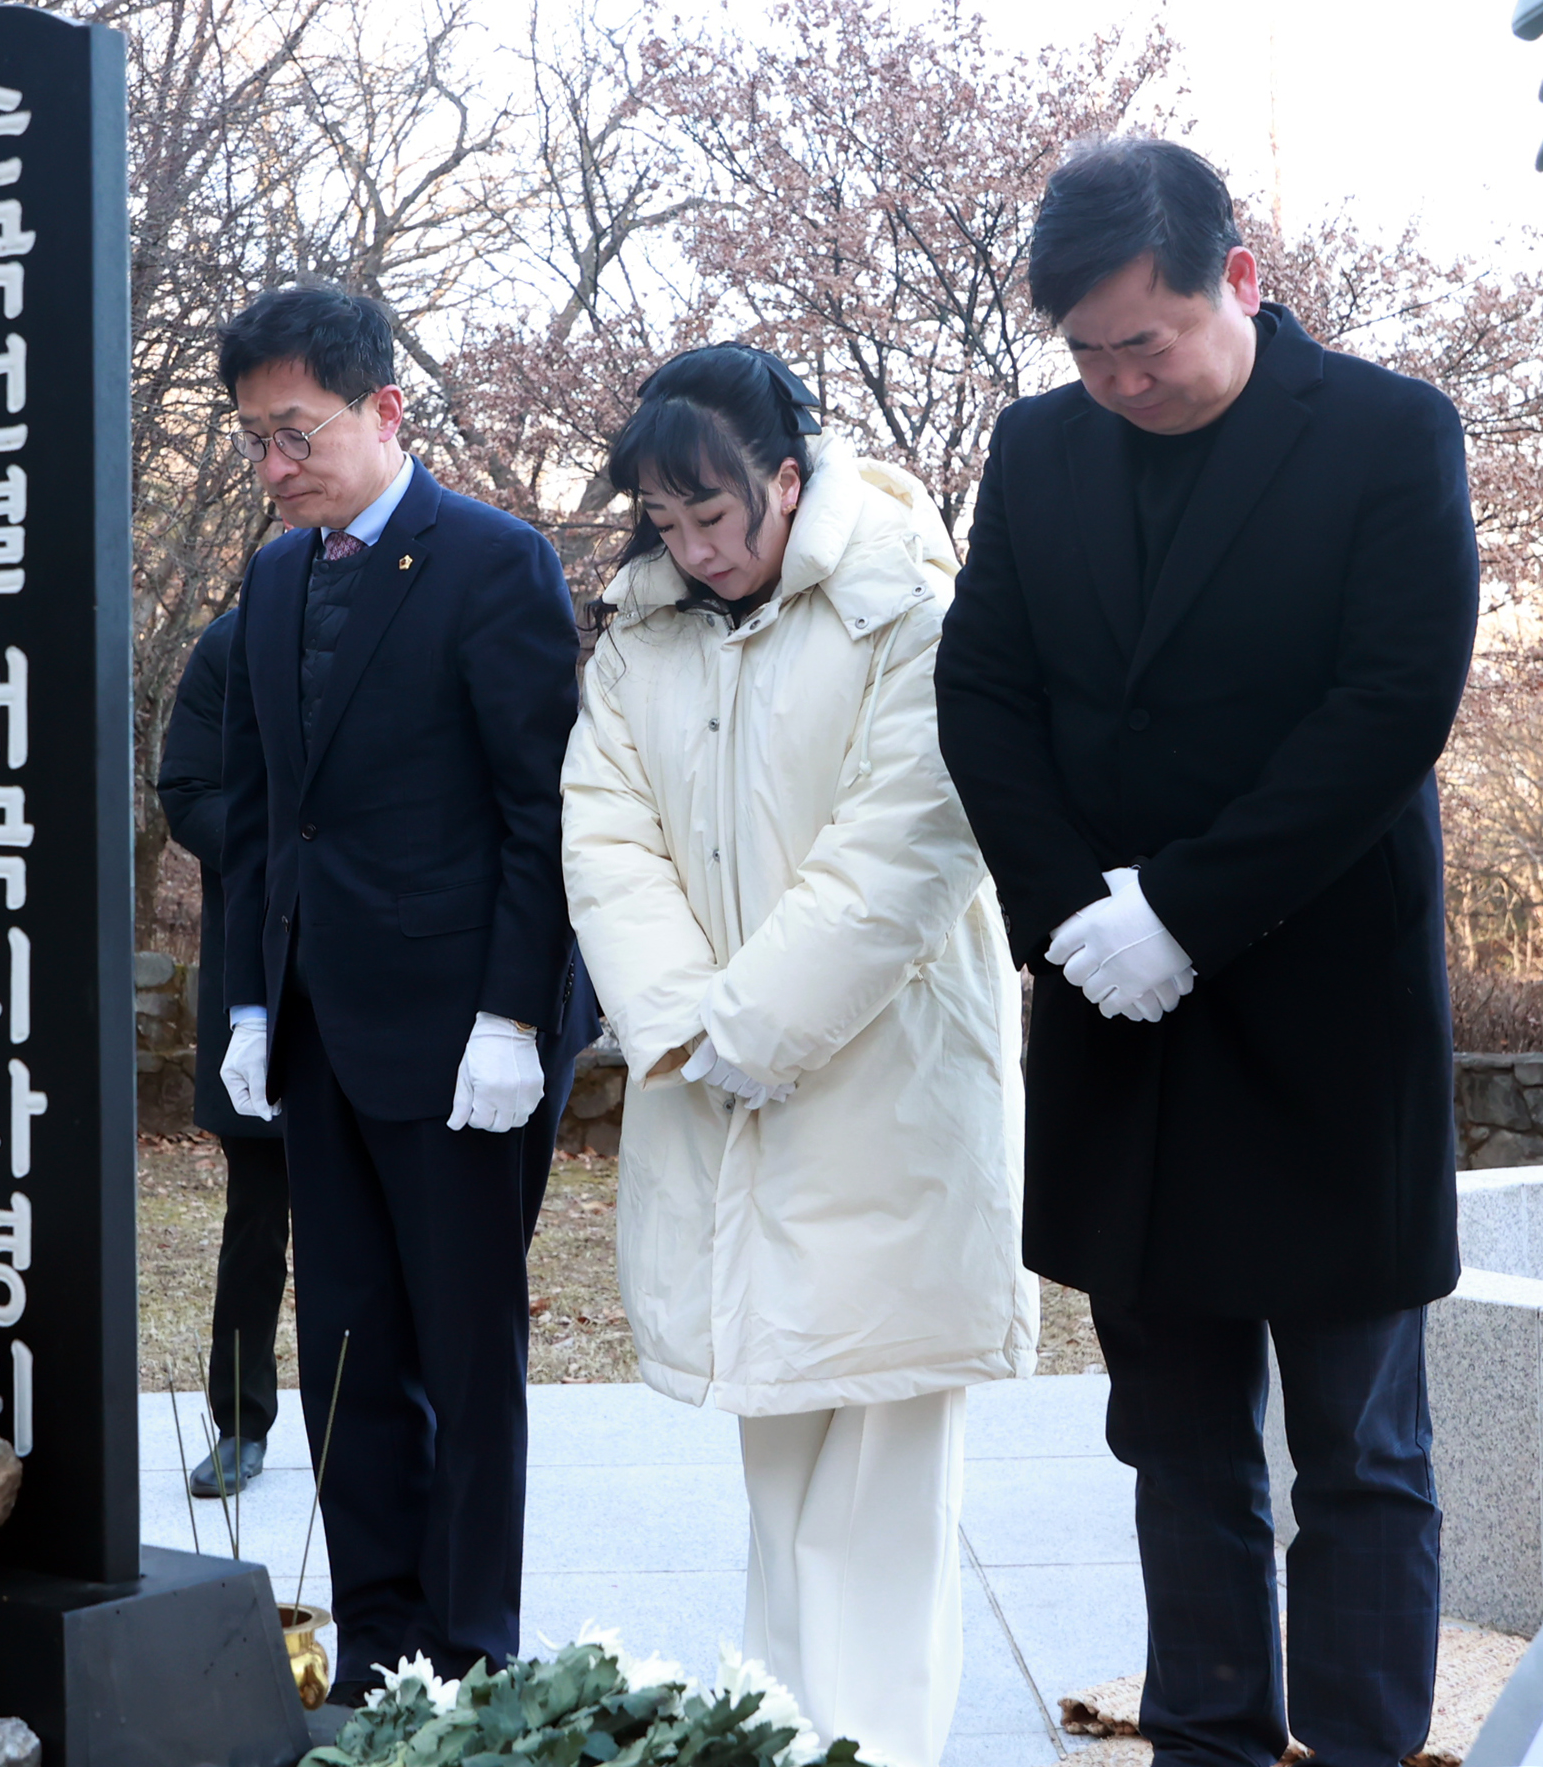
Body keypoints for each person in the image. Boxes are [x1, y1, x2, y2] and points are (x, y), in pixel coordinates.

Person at [934, 137, 1475, 1767]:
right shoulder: (1037, 454)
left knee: (1358, 1448)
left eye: (1143, 341)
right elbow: (985, 690)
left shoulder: (1387, 435)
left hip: (1321, 1018)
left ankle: (1368, 1748)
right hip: (1123, 1015)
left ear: (1236, 280)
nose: (1112, 379)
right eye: (1085, 351)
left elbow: (1389, 703)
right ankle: (1209, 1744)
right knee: (1176, 1442)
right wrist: (1073, 918)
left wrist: (1185, 904)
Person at [561, 343, 1034, 1767]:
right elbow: (606, 832)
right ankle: (779, 1737)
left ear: (785, 474)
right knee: (777, 1442)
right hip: (722, 1095)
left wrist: (755, 1023)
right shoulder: (638, 635)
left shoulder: (908, 604)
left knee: (883, 1467)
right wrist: (691, 1027)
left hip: (884, 1089)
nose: (694, 549)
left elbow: (907, 839)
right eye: (666, 521)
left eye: (715, 517)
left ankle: (872, 1747)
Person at [214, 284, 590, 1695]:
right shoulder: (270, 580)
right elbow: (257, 820)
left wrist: (514, 1013)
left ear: (384, 410)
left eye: (293, 430)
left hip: (462, 1038)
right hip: (315, 1028)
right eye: (253, 439)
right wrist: (250, 1008)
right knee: (345, 1348)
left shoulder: (495, 564)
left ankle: (473, 1653)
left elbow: (537, 813)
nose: (273, 465)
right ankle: (377, 1649)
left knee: (465, 1355)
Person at [156, 607, 292, 1499]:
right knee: (257, 1218)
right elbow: (187, 792)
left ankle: (384, 1426)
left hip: (386, 972)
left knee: (389, 1221)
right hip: (257, 964)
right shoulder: (236, 638)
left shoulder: (412, 622)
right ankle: (239, 1423)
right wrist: (290, 847)